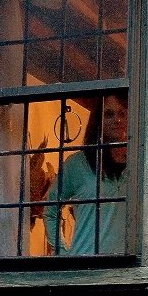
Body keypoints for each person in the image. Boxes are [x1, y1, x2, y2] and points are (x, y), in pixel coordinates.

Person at [43, 92, 130, 256]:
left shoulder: (139, 163)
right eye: (109, 114)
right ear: (99, 120)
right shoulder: (78, 164)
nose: (117, 119)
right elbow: (50, 209)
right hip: (86, 263)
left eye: (122, 113)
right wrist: (63, 252)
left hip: (128, 266)